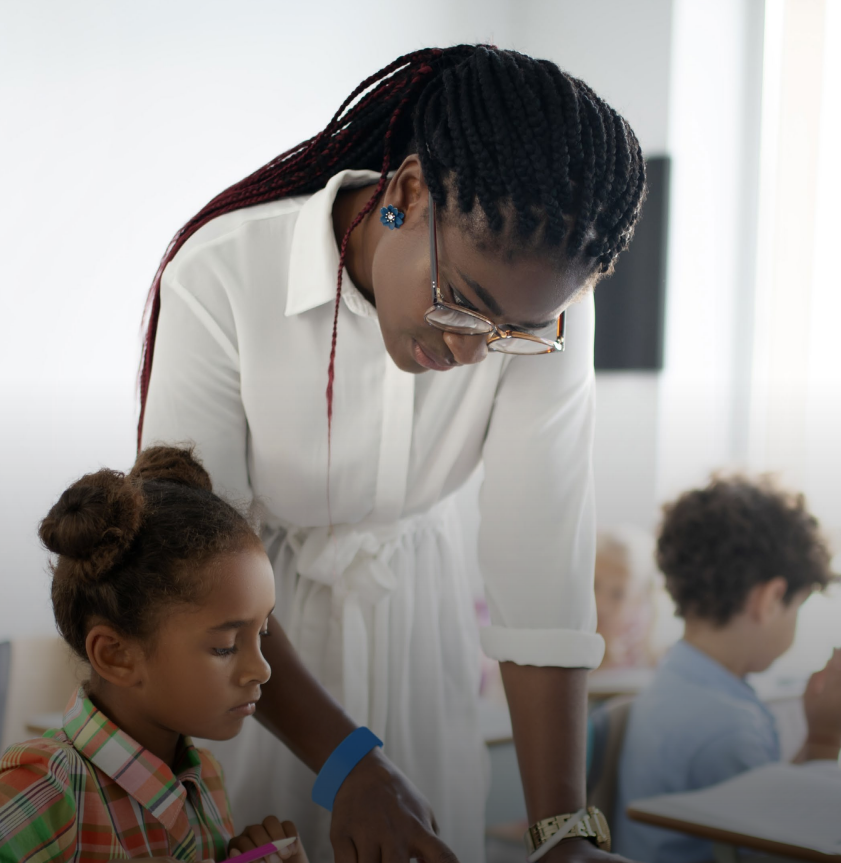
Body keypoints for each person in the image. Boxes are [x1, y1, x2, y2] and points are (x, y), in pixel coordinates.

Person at [139, 45, 647, 862]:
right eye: (463, 305)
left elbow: (541, 569)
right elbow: (192, 569)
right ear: (406, 193)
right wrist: (350, 763)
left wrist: (563, 832)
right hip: (247, 650)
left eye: (509, 334)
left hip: (422, 623)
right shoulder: (223, 276)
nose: (473, 351)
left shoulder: (541, 316)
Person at [0, 446, 309, 863]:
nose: (261, 669)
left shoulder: (206, 779)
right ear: (116, 655)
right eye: (225, 645)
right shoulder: (47, 789)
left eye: (261, 632)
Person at [615, 475, 841, 863]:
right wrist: (823, 742)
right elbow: (785, 850)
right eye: (797, 606)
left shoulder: (679, 680)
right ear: (770, 600)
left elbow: (761, 803)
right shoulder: (726, 728)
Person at [594, 527, 658, 670]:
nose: (600, 604)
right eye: (594, 585)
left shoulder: (638, 649)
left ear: (636, 602)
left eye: (618, 594)